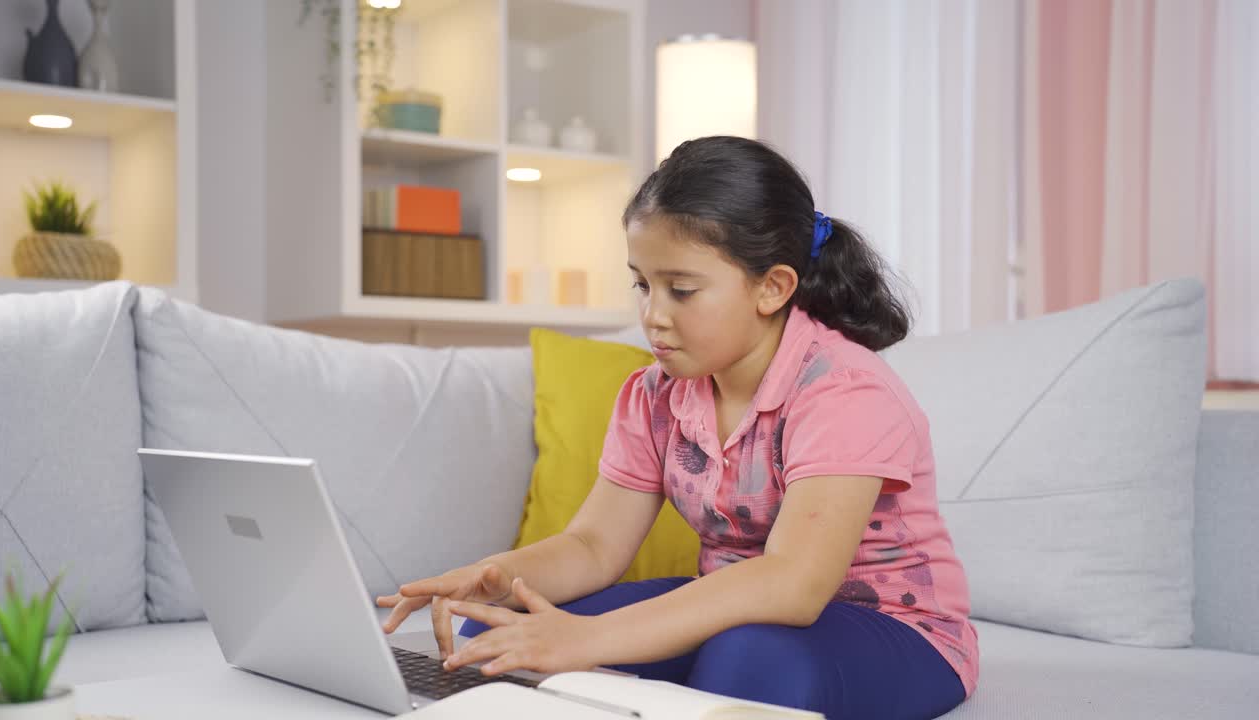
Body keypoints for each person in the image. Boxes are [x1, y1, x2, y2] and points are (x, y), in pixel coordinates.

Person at [377, 136, 978, 718]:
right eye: (642, 283)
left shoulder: (843, 390)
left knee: (748, 659)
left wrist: (589, 640)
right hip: (741, 614)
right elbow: (593, 546)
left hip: (897, 630)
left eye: (681, 290)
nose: (652, 316)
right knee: (500, 629)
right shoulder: (655, 394)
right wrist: (494, 579)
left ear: (773, 287)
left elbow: (793, 583)